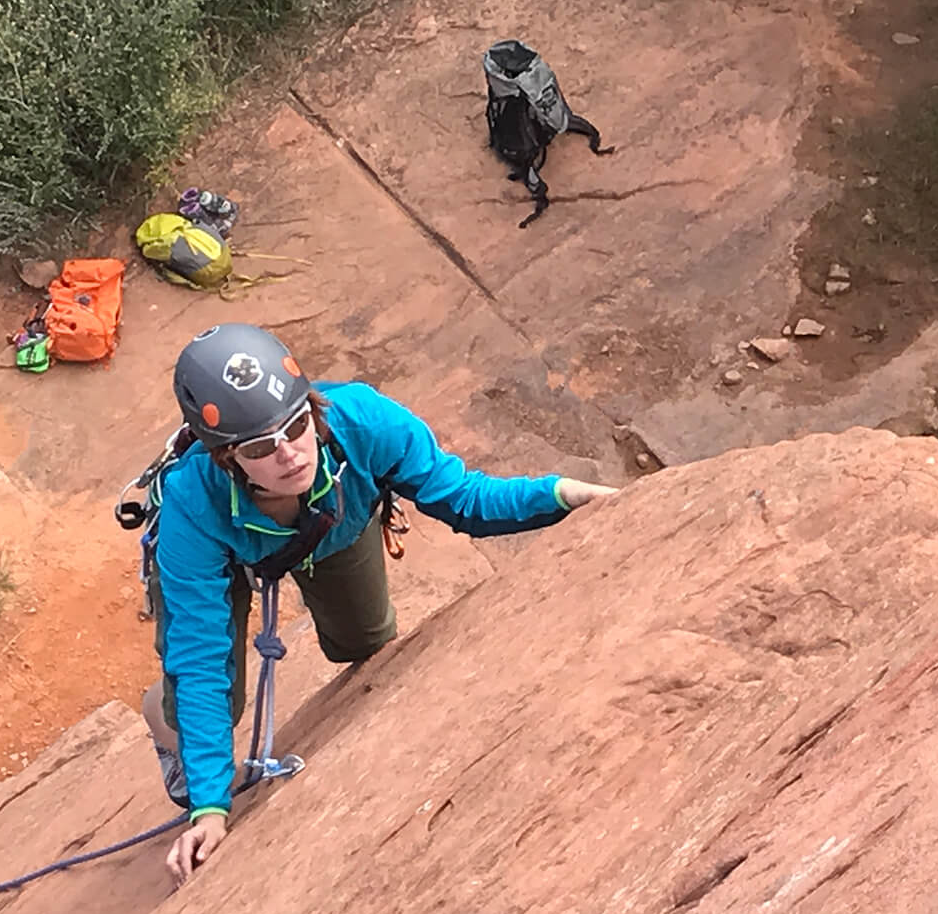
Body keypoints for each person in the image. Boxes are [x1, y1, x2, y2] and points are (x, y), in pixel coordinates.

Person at [141, 323, 616, 885]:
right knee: (214, 699)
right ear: (225, 457)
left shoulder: (363, 422)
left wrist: (561, 496)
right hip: (226, 554)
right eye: (260, 448)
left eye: (297, 426)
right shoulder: (191, 505)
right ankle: (165, 727)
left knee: (365, 643)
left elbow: (464, 497)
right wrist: (211, 809)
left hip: (333, 525)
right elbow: (198, 657)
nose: (290, 454)